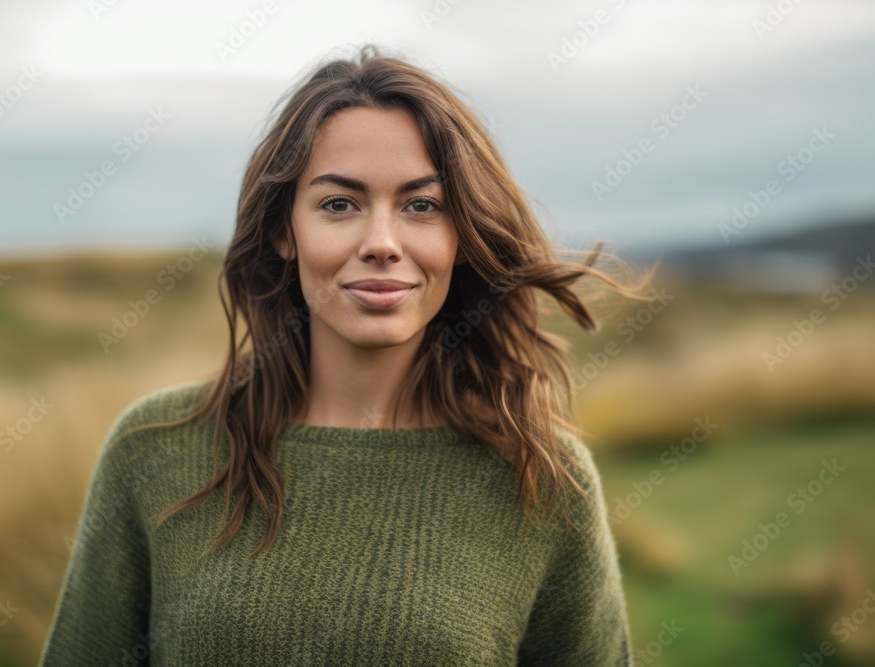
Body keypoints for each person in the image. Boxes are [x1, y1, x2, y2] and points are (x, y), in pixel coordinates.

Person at [40, 43, 650, 666]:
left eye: (422, 205)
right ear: (284, 231)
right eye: (339, 204)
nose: (382, 243)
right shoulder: (154, 447)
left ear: (462, 236)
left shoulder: (543, 478)